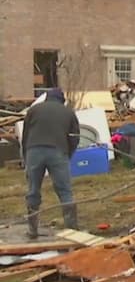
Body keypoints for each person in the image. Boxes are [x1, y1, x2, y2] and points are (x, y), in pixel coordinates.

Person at [22, 89, 81, 238]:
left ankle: (32, 230)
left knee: (33, 190)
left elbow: (25, 136)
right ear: (62, 100)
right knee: (65, 190)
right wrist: (68, 154)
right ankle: (72, 230)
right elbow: (75, 137)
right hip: (58, 151)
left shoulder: (33, 110)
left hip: (33, 151)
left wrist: (26, 157)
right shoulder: (68, 112)